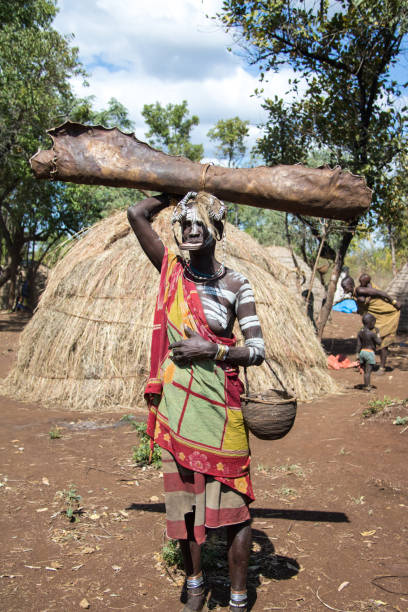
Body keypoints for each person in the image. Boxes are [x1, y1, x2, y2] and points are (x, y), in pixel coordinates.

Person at [127, 191, 265, 612]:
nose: (190, 229)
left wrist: (213, 350)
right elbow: (136, 214)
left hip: (221, 409)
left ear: (216, 231)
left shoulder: (236, 284)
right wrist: (178, 189)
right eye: (184, 222)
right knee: (185, 503)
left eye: (200, 222)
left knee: (236, 507)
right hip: (178, 410)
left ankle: (239, 597)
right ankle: (195, 584)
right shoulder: (171, 272)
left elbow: (257, 350)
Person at [341, 274, 401, 374]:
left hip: (384, 314)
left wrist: (394, 302)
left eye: (345, 287)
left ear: (351, 285)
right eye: (343, 287)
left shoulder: (359, 290)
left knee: (383, 341)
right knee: (368, 339)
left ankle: (382, 368)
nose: (344, 289)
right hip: (375, 318)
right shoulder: (355, 294)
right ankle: (366, 364)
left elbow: (380, 293)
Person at [356, 313, 381, 390]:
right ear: (370, 323)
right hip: (369, 353)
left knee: (365, 370)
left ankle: (366, 384)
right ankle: (367, 387)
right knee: (368, 372)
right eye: (374, 323)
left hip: (362, 352)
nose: (374, 325)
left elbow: (358, 345)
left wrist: (357, 355)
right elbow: (379, 342)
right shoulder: (372, 334)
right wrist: (378, 333)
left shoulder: (360, 333)